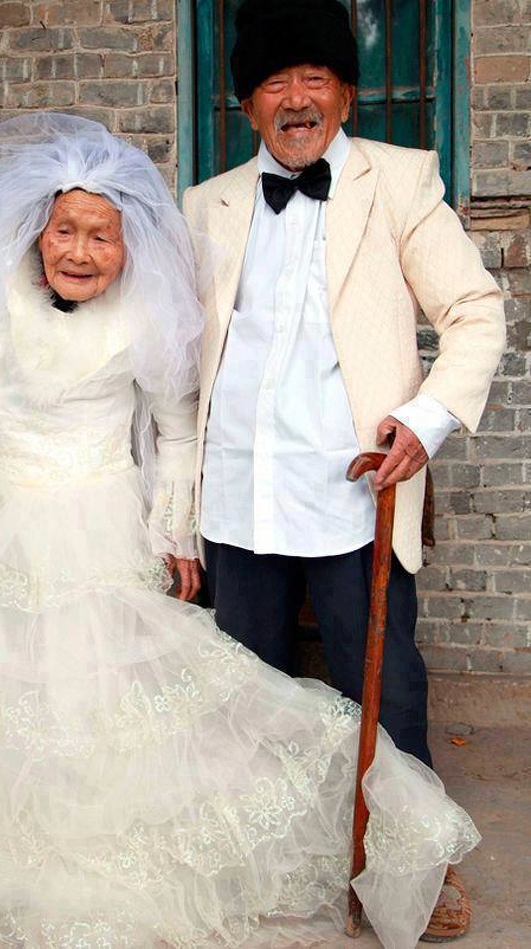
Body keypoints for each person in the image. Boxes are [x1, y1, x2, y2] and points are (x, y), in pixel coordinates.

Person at [0, 112, 478, 949]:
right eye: (64, 231)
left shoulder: (148, 318)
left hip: (101, 524)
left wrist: (175, 535)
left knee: (107, 697)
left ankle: (386, 842)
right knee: (0, 696)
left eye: (100, 236)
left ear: (128, 243)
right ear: (37, 236)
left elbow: (178, 431)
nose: (80, 251)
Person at [181, 0, 506, 942]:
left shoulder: (399, 181)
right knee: (249, 685)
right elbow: (173, 359)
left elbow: (476, 312)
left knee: (386, 685)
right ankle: (274, 853)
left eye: (314, 79)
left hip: (355, 485)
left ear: (346, 93)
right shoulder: (207, 205)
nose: (295, 98)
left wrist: (424, 420)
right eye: (274, 83)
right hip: (239, 491)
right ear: (248, 107)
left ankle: (411, 864)